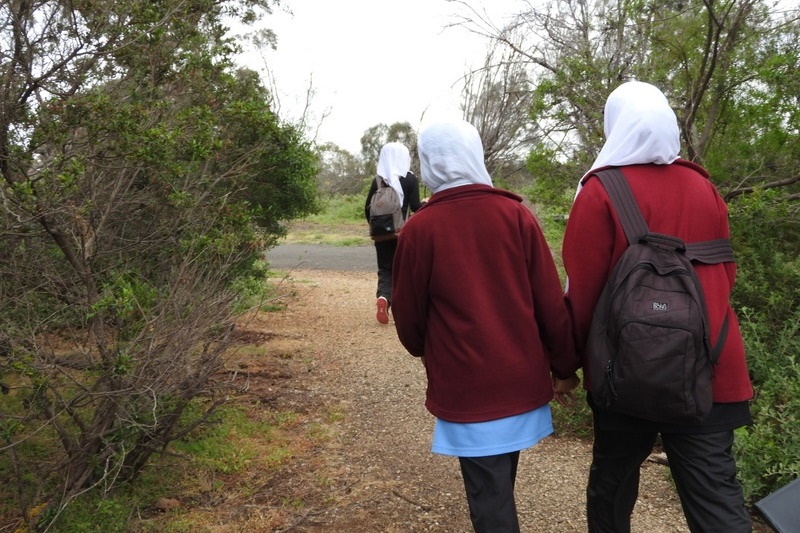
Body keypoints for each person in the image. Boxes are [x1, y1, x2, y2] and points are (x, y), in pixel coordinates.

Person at [562, 80, 754, 533]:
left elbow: (583, 297)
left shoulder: (600, 191)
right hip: (709, 368)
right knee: (716, 500)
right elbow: (726, 276)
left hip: (626, 370)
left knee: (612, 486)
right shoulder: (704, 187)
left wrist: (566, 364)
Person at [391, 119, 580, 533]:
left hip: (465, 382)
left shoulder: (420, 230)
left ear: (428, 163)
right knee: (497, 485)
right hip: (520, 377)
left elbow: (409, 321)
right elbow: (550, 303)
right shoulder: (515, 215)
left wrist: (434, 350)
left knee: (490, 497)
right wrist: (564, 367)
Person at [364, 142, 425, 324]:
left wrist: (379, 228)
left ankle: (383, 298)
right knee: (405, 270)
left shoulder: (378, 180)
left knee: (385, 268)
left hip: (382, 234)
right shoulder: (409, 179)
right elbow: (415, 207)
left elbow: (367, 208)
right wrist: (426, 203)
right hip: (402, 233)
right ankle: (403, 309)